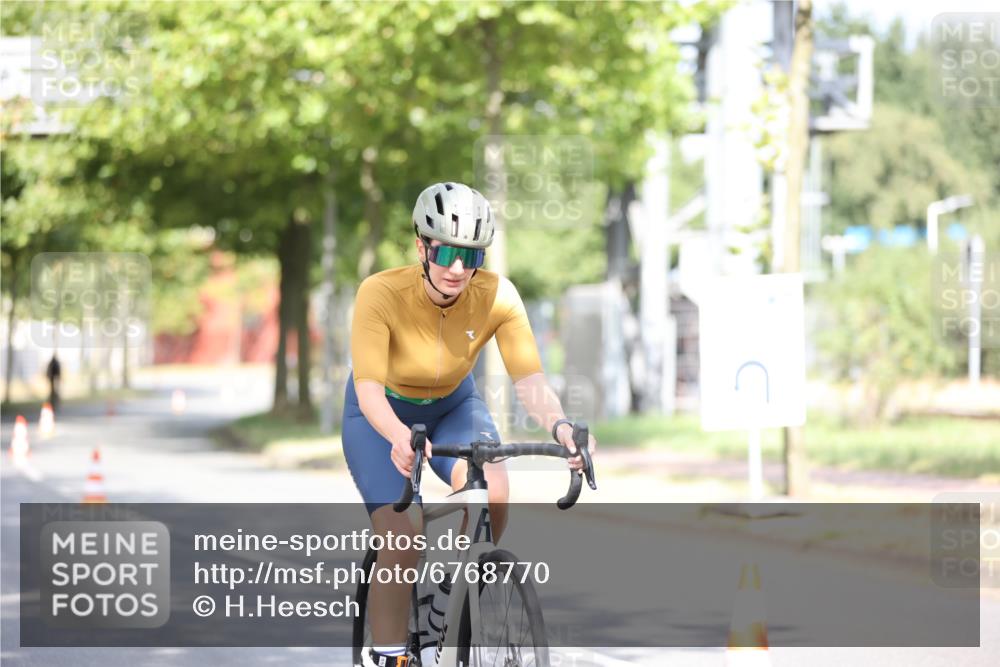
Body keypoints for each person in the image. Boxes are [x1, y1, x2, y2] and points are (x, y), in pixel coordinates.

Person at [344, 182, 596, 667]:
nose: (459, 268)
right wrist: (399, 437)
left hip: (454, 406)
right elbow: (368, 388)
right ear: (422, 246)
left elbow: (530, 380)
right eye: (447, 251)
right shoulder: (380, 293)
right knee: (403, 533)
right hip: (381, 414)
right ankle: (392, 655)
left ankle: (453, 593)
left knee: (494, 486)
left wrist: (562, 428)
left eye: (471, 255)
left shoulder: (498, 295)